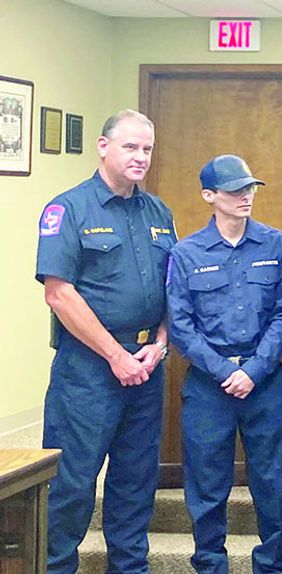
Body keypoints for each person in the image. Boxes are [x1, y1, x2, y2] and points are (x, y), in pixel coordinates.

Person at [35, 109, 175, 573]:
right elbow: (59, 293)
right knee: (73, 483)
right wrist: (116, 356)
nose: (140, 157)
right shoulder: (68, 209)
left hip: (146, 366)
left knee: (136, 483)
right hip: (89, 371)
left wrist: (159, 344)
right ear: (103, 146)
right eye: (130, 147)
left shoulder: (158, 212)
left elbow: (171, 288)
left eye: (147, 149)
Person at [167, 155, 282, 573]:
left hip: (265, 380)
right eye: (234, 190)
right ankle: (210, 564)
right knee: (207, 485)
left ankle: (275, 565)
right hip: (209, 384)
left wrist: (254, 370)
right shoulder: (185, 252)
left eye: (250, 188)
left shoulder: (276, 245)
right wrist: (226, 372)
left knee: (274, 483)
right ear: (209, 196)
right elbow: (181, 326)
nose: (245, 197)